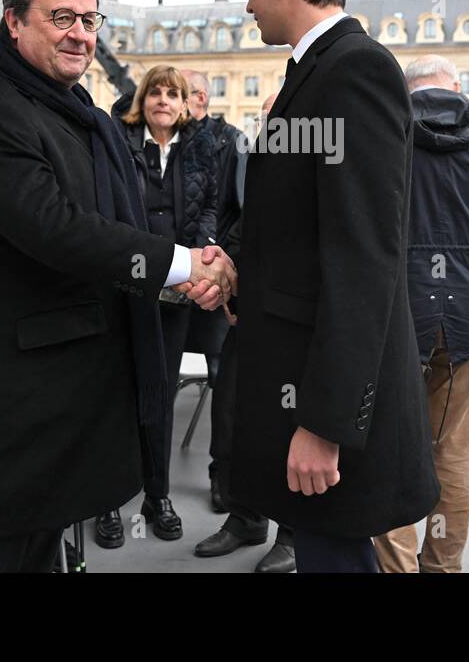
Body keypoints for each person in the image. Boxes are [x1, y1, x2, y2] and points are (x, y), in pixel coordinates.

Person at [0, 0, 234, 572]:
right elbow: (54, 229)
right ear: (13, 23)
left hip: (56, 406)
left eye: (90, 19)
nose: (80, 33)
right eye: (61, 17)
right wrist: (188, 266)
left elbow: (116, 234)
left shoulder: (83, 117)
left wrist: (179, 281)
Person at [215, 0, 439, 573]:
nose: (247, 5)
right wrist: (238, 268)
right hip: (297, 378)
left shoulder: (355, 71)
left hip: (324, 407)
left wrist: (325, 423)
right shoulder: (313, 73)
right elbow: (299, 226)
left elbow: (364, 256)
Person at [373, 55, 469, 572]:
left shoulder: (384, 133)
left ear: (407, 88)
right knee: (453, 449)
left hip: (397, 310)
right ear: (458, 87)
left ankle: (397, 568)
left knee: (389, 444)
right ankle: (443, 566)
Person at [92, 65, 217, 547]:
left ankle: (156, 495)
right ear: (142, 99)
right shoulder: (119, 143)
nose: (163, 100)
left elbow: (209, 206)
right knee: (115, 390)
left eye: (173, 93)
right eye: (155, 92)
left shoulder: (200, 147)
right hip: (124, 286)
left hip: (176, 292)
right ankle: (104, 499)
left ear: (185, 103)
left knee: (160, 394)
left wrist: (198, 259)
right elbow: (109, 211)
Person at [194, 92, 296, 573]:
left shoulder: (322, 165)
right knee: (235, 411)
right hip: (250, 313)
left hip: (297, 319)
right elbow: (239, 228)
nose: (270, 122)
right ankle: (246, 517)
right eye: (266, 116)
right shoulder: (258, 160)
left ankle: (294, 533)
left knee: (290, 424)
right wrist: (228, 287)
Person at [180, 69, 248, 512]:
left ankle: (223, 476)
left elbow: (243, 210)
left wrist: (223, 269)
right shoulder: (158, 140)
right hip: (165, 277)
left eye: (177, 93)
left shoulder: (232, 140)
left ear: (201, 98)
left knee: (225, 384)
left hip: (213, 277)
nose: (164, 101)